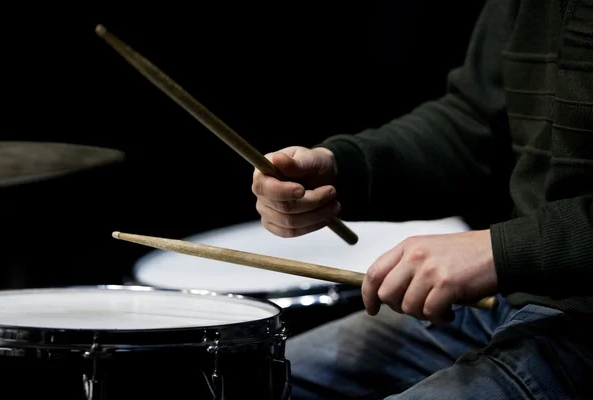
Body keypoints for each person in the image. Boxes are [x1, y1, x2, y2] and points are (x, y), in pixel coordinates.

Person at [251, 0, 593, 398]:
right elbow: (478, 122)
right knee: (255, 382)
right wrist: (342, 168)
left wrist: (505, 252)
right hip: (513, 298)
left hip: (580, 326)